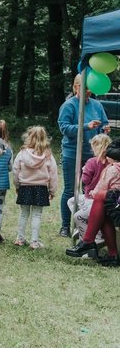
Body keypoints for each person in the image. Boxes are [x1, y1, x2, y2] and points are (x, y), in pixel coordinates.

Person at [57, 73, 110, 237]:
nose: (88, 91)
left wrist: (105, 128)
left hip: (94, 155)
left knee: (92, 190)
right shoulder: (68, 105)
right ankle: (65, 226)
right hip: (72, 153)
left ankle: (88, 224)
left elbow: (104, 123)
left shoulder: (96, 105)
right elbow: (64, 128)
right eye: (84, 87)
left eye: (90, 88)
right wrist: (87, 126)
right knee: (71, 189)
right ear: (75, 87)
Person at [66, 138, 120, 266]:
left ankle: (88, 241)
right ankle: (111, 254)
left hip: (110, 201)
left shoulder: (113, 169)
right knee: (103, 208)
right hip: (113, 202)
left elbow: (97, 188)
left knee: (100, 198)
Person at [12, 126, 58, 249]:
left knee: (23, 214)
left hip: (25, 187)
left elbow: (15, 170)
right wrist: (52, 190)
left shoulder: (22, 153)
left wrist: (17, 185)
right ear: (44, 138)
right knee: (37, 215)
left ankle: (20, 239)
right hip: (41, 188)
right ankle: (34, 241)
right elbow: (53, 174)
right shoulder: (48, 155)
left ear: (29, 137)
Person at [72, 133, 112, 242]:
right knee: (71, 201)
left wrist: (84, 170)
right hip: (106, 196)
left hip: (91, 197)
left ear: (94, 147)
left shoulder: (92, 162)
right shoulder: (111, 162)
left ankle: (90, 235)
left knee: (79, 212)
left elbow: (85, 180)